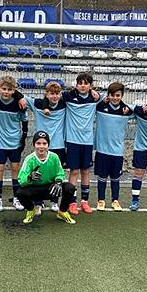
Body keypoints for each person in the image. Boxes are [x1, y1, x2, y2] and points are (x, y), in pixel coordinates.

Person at [16, 131, 77, 225]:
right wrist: (30, 177)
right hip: (35, 190)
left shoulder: (54, 157)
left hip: (50, 189)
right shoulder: (29, 159)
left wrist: (58, 182)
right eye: (38, 143)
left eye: (44, 143)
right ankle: (31, 210)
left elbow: (60, 173)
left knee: (70, 188)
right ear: (33, 144)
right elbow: (21, 179)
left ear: (48, 144)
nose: (41, 146)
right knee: (20, 193)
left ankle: (62, 212)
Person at [24, 81, 67, 212]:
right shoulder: (37, 104)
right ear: (46, 94)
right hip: (41, 146)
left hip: (58, 144)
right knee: (39, 174)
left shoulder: (64, 104)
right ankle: (38, 201)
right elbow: (22, 96)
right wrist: (44, 105)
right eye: (51, 93)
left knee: (55, 174)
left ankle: (54, 201)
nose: (55, 96)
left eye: (57, 94)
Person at [0, 76, 29, 211]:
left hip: (14, 141)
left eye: (10, 89)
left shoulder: (19, 103)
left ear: (14, 91)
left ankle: (17, 198)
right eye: (3, 89)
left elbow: (25, 121)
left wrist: (23, 138)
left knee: (15, 168)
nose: (6, 92)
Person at [62, 73, 100, 215]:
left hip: (87, 141)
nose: (83, 86)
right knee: (74, 171)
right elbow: (51, 95)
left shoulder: (94, 98)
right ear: (76, 85)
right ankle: (72, 202)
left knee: (85, 171)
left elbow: (105, 97)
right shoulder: (69, 96)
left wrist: (97, 95)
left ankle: (84, 201)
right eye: (80, 83)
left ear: (90, 86)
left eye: (86, 83)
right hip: (73, 140)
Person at [93, 82, 133, 211]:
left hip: (117, 150)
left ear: (122, 96)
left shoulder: (126, 110)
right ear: (108, 95)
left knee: (115, 177)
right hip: (102, 149)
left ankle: (115, 200)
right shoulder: (100, 107)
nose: (115, 98)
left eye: (118, 95)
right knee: (102, 176)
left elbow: (141, 110)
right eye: (112, 95)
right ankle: (101, 200)